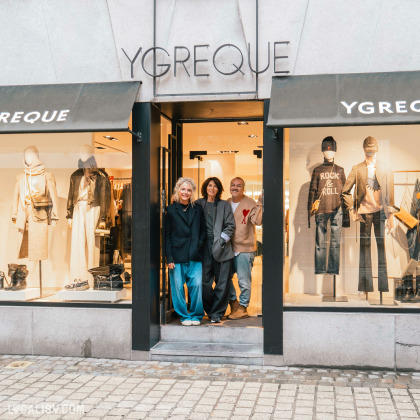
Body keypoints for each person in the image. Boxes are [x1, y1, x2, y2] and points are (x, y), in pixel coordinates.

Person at [165, 177, 206, 326]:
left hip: (194, 254)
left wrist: (199, 244)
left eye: (189, 190)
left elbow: (203, 231)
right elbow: (167, 236)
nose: (186, 192)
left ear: (192, 192)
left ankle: (196, 314)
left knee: (196, 285)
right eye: (183, 189)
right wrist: (169, 258)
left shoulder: (197, 209)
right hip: (176, 255)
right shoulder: (170, 210)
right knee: (177, 287)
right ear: (178, 190)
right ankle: (183, 315)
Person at [196, 177, 235, 323]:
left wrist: (221, 241)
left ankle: (217, 313)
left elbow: (230, 226)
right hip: (203, 249)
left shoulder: (224, 205)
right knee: (204, 283)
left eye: (215, 186)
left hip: (222, 249)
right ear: (205, 187)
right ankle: (210, 310)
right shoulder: (198, 204)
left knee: (222, 283)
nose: (212, 188)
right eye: (209, 185)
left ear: (219, 189)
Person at [227, 177, 263, 319]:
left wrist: (260, 205)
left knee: (244, 280)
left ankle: (243, 308)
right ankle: (234, 302)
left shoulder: (250, 203)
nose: (235, 188)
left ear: (243, 189)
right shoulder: (226, 203)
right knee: (223, 277)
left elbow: (257, 221)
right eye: (233, 185)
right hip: (228, 249)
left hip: (245, 249)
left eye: (239, 186)